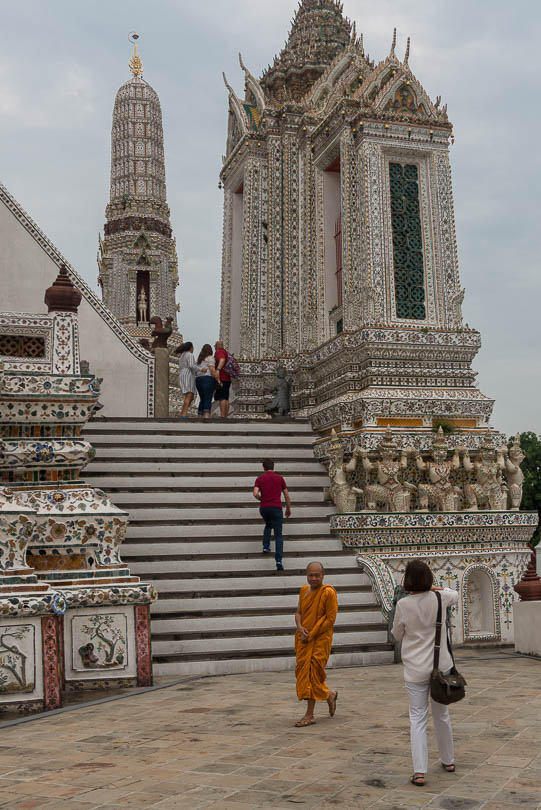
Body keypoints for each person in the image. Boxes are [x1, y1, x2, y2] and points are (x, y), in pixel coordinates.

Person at [391, 559, 459, 787]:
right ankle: (448, 760)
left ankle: (420, 771)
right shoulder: (441, 598)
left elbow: (397, 634)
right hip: (440, 667)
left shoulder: (403, 605)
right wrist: (434, 589)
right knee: (442, 715)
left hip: (416, 669)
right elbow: (455, 594)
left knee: (417, 719)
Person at [294, 562, 338, 727]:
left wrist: (311, 634)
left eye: (317, 575)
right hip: (304, 638)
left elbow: (330, 619)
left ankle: (309, 715)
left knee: (313, 673)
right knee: (304, 673)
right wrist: (300, 627)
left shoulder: (328, 593)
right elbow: (298, 613)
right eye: (311, 575)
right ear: (307, 575)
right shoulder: (304, 591)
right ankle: (329, 695)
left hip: (320, 639)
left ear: (323, 575)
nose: (313, 578)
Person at [253, 459, 291, 572]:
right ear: (273, 467)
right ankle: (278, 560)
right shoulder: (280, 478)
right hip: (276, 508)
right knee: (278, 534)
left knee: (268, 524)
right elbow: (286, 495)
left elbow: (255, 493)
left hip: (264, 508)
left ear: (263, 468)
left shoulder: (260, 478)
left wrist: (261, 499)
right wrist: (288, 508)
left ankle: (265, 546)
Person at [175, 342, 206, 418]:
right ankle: (183, 414)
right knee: (189, 395)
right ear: (190, 348)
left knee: (191, 396)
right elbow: (191, 365)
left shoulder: (182, 355)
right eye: (193, 348)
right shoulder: (189, 354)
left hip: (183, 373)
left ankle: (183, 412)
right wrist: (201, 369)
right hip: (187, 374)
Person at [195, 344, 218, 419]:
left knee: (202, 398)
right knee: (208, 397)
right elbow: (212, 369)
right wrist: (218, 379)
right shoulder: (210, 358)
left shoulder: (199, 360)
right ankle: (206, 416)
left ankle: (200, 415)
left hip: (198, 380)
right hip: (207, 379)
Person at [214, 339, 231, 419]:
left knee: (222, 398)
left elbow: (222, 359)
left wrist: (218, 369)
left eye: (215, 345)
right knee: (226, 397)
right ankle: (225, 415)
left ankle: (223, 416)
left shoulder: (219, 352)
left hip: (222, 378)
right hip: (227, 378)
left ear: (217, 346)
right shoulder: (225, 352)